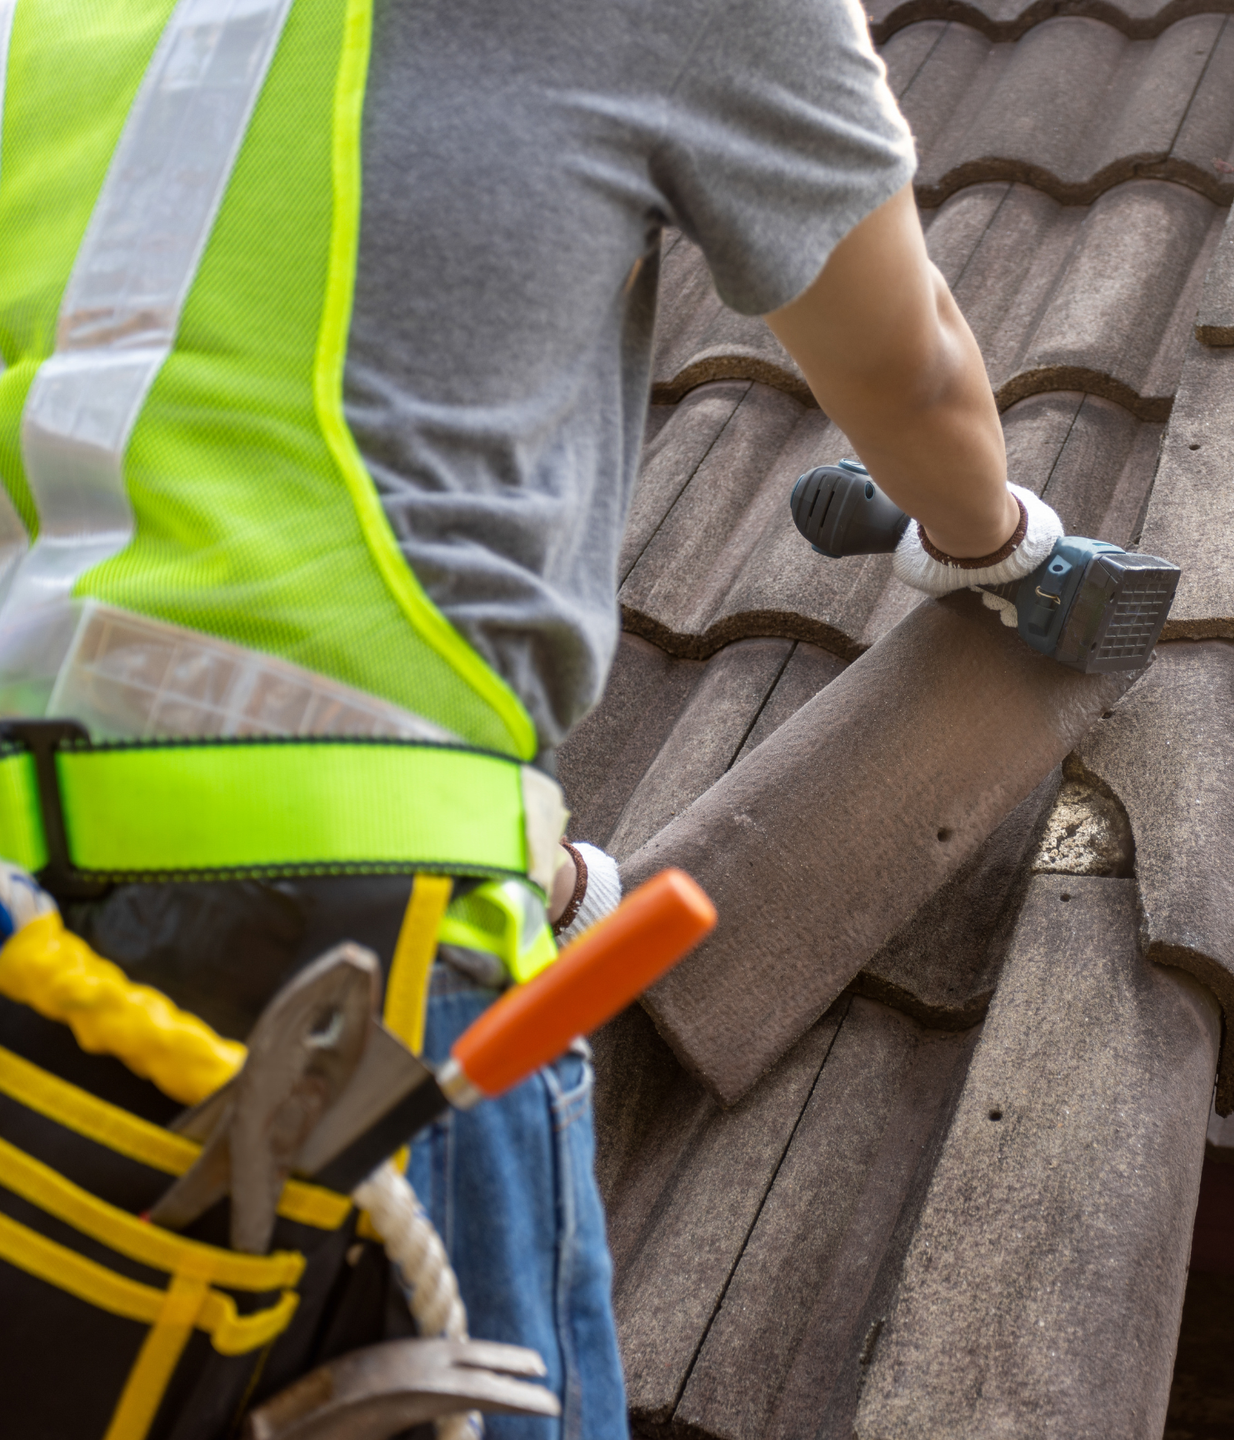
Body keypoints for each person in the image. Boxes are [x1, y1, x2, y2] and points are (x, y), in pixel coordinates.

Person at [0, 0, 1170, 1435]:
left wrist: (534, 863)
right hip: (344, 959)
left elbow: (157, 573)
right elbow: (909, 368)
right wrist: (998, 546)